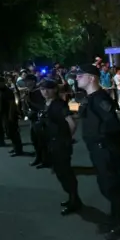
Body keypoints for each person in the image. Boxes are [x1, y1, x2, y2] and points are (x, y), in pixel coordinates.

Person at [76, 64, 120, 240]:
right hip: (97, 149)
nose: (77, 78)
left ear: (91, 78)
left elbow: (112, 125)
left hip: (104, 149)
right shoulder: (90, 98)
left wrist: (106, 145)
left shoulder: (100, 99)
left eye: (80, 75)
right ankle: (117, 217)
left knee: (111, 185)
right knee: (106, 184)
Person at [39, 79, 81, 215]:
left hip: (60, 143)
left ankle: (74, 200)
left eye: (48, 89)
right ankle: (73, 198)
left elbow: (72, 123)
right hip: (52, 142)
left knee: (65, 172)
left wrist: (66, 138)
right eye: (42, 89)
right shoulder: (47, 104)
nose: (45, 92)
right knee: (60, 172)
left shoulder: (59, 105)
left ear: (55, 90)